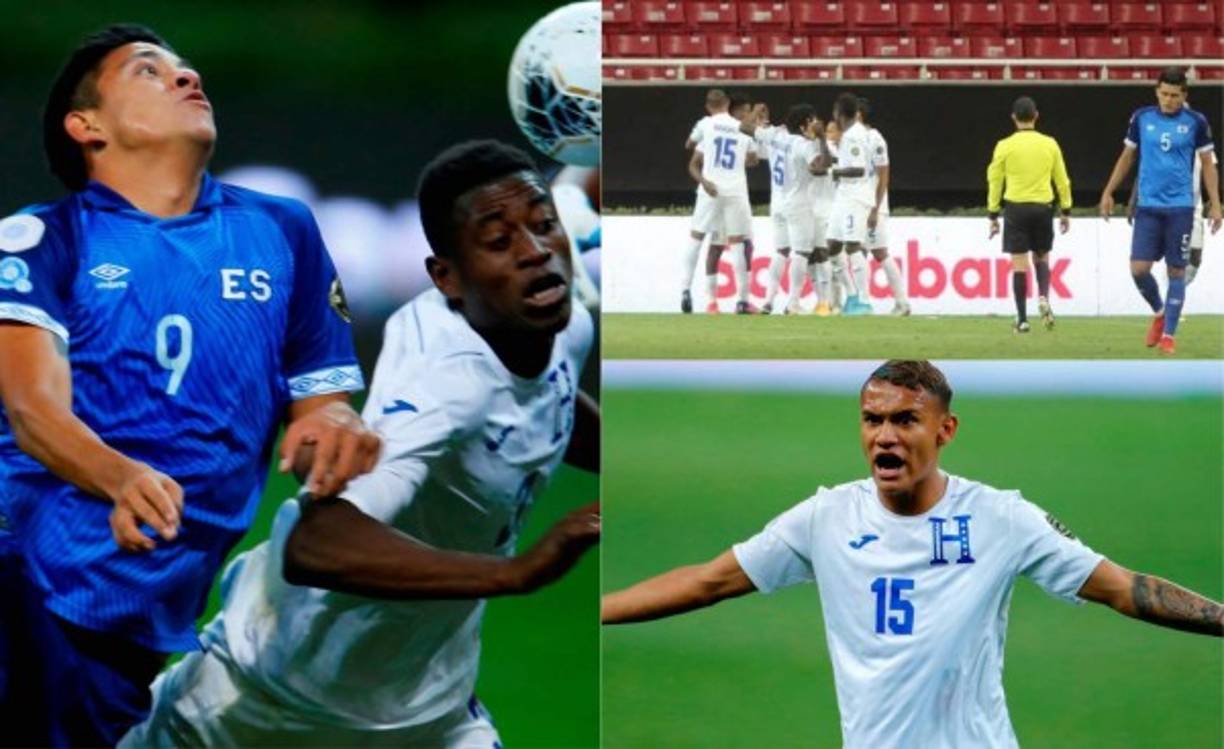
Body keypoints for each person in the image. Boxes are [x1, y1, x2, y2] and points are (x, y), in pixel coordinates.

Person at [122, 140, 601, 748]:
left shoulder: (556, 322)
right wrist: (518, 571)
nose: (536, 253)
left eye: (543, 227)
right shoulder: (445, 385)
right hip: (262, 704)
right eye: (500, 242)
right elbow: (313, 543)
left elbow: (546, 395)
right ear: (446, 277)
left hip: (428, 711)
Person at [0, 25, 380, 746]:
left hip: (144, 593)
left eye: (183, 66)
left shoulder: (282, 230)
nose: (186, 76)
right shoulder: (43, 237)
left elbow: (321, 399)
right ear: (87, 127)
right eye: (149, 70)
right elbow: (31, 407)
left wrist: (336, 426)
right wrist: (118, 476)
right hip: (32, 569)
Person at [603, 359, 1222, 748]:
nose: (885, 437)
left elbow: (1124, 588)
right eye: (872, 421)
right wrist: (597, 610)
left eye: (905, 420)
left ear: (944, 431)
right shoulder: (826, 517)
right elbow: (709, 581)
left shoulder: (1000, 517)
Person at [1099, 67, 1221, 355]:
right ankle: (1159, 311)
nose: (1169, 100)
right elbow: (1128, 156)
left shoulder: (1196, 122)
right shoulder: (1142, 118)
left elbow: (1207, 163)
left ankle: (1169, 335)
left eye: (1175, 96)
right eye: (1164, 94)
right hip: (1149, 207)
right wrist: (1108, 191)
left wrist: (1215, 202)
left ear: (1184, 95)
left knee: (1176, 271)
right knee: (1138, 269)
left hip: (1180, 206)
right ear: (1157, 92)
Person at [985, 96, 1072, 333]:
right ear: (1036, 116)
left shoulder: (1004, 145)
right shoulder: (1050, 144)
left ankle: (1022, 319)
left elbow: (995, 180)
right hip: (1043, 207)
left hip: (1016, 207)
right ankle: (1043, 296)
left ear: (1014, 118)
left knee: (1019, 265)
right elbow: (1062, 179)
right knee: (1042, 258)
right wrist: (1066, 209)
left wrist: (993, 213)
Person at [741, 104, 831, 314]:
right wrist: (822, 139)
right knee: (801, 252)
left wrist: (756, 113)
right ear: (804, 125)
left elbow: (745, 128)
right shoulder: (803, 145)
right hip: (798, 203)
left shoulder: (775, 135)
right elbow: (821, 167)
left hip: (778, 202)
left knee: (781, 251)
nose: (816, 125)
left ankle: (768, 301)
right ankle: (793, 303)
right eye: (813, 121)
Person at [688, 95, 759, 314]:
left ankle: (724, 301)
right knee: (727, 245)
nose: (748, 116)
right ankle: (725, 301)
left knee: (730, 244)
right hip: (732, 194)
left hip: (718, 192)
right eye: (745, 112)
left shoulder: (710, 127)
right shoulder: (734, 129)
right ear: (735, 111)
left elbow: (691, 153)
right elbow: (754, 159)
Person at [858, 98, 911, 316]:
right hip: (859, 204)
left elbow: (883, 174)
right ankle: (862, 301)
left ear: (859, 115)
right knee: (858, 252)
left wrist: (875, 207)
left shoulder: (875, 139)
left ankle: (902, 302)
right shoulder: (855, 139)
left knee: (879, 252)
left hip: (873, 206)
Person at [680, 89, 730, 314]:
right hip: (730, 192)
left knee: (697, 237)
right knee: (717, 246)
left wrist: (705, 180)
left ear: (708, 107)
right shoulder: (738, 128)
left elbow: (688, 146)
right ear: (727, 104)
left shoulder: (705, 125)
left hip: (709, 190)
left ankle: (686, 288)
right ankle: (711, 301)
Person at [826, 93, 875, 316]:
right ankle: (852, 295)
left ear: (838, 113)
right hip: (844, 195)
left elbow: (859, 168)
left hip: (856, 195)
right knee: (833, 245)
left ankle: (864, 301)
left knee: (853, 245)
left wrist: (832, 171)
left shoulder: (854, 136)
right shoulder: (850, 134)